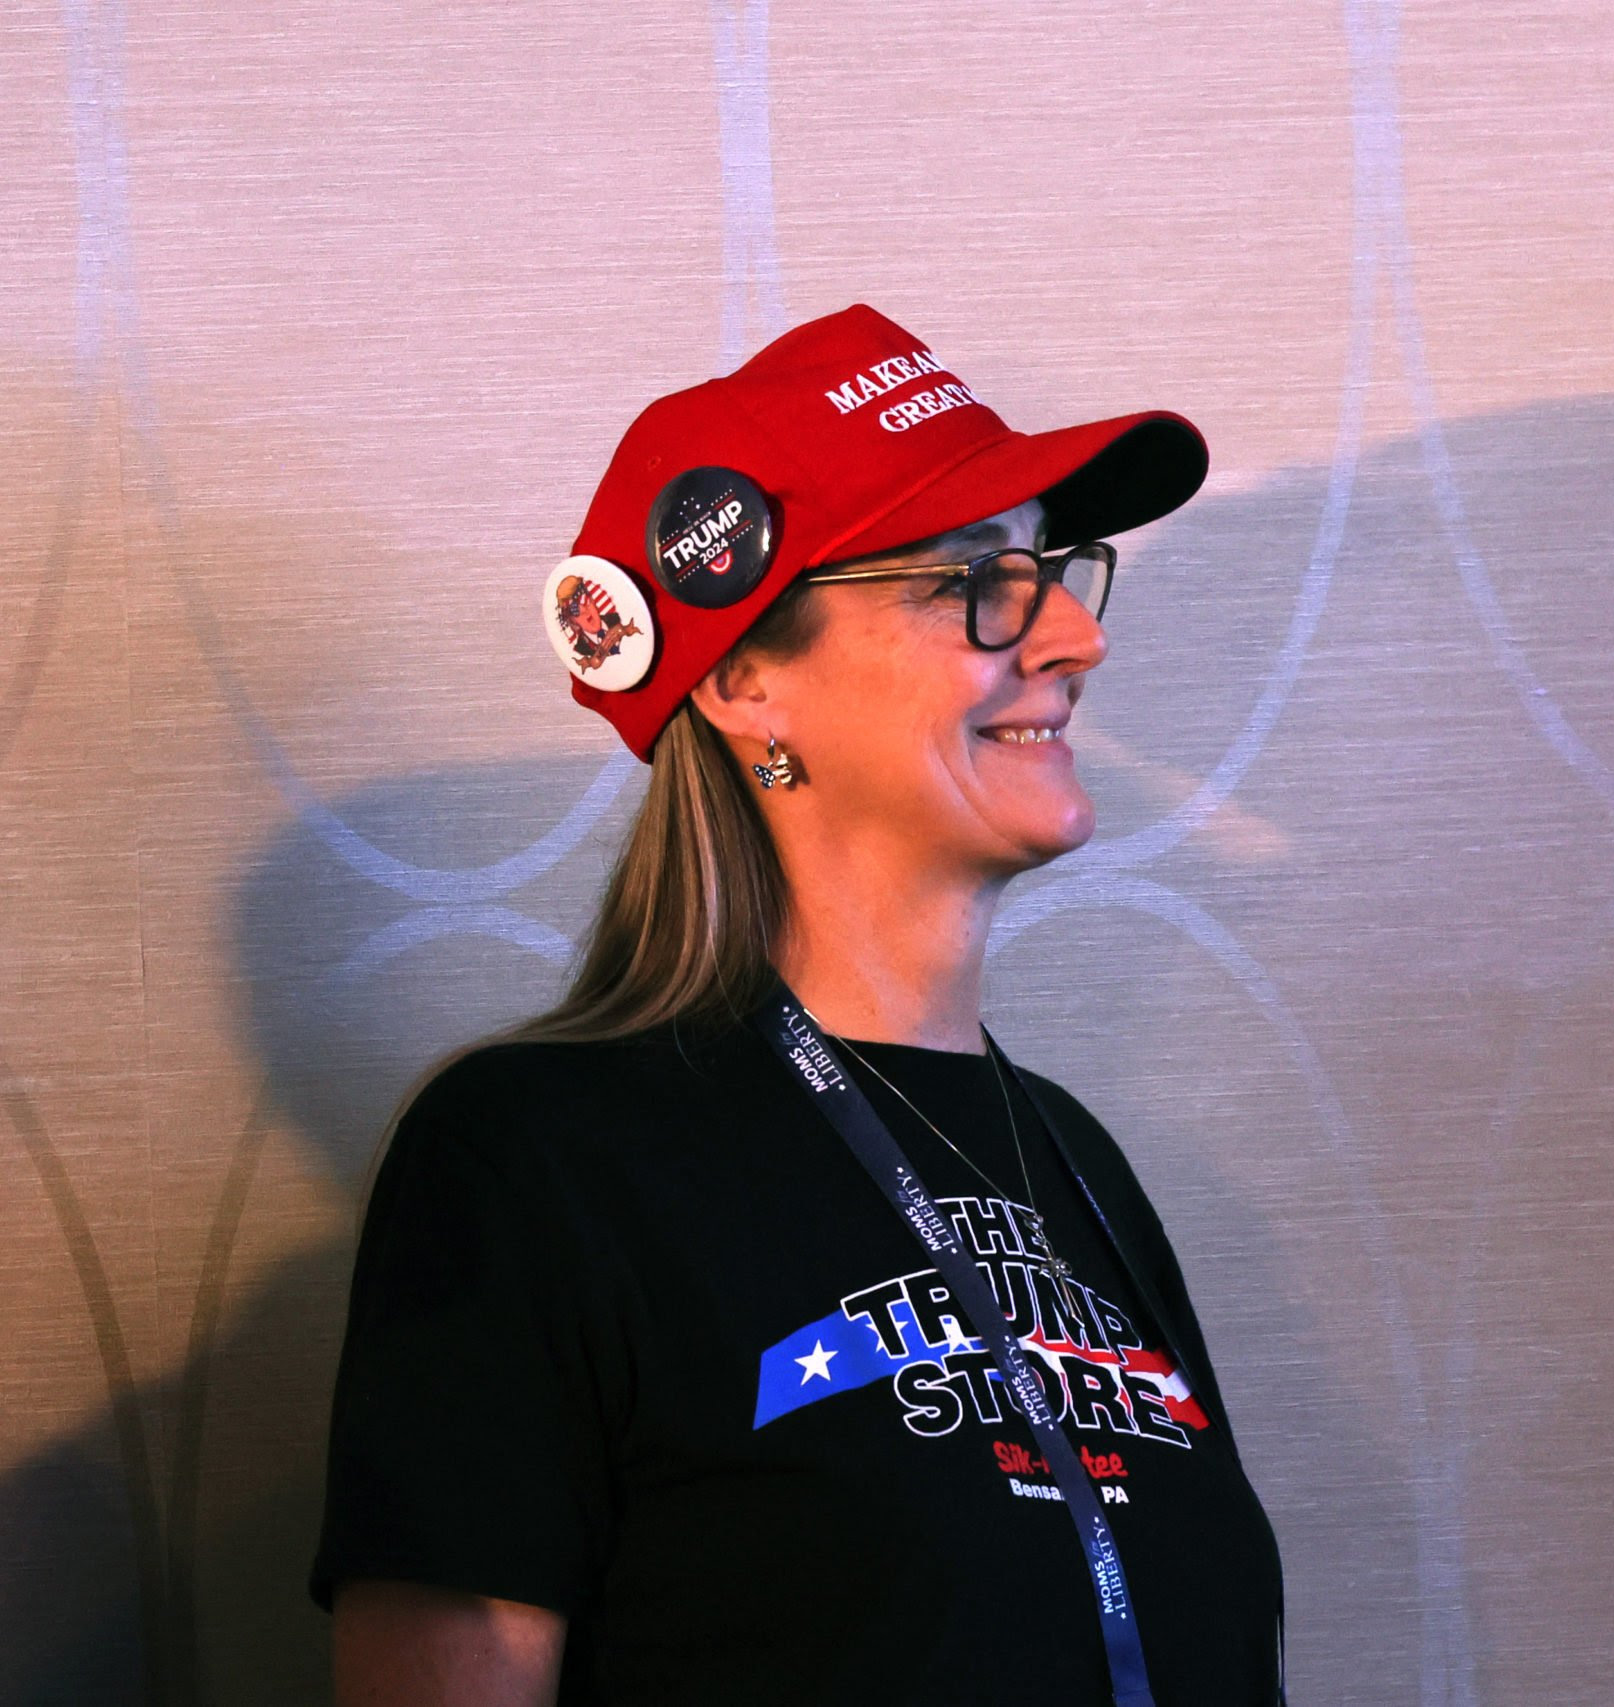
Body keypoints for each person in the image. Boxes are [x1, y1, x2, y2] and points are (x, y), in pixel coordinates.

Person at [310, 304, 1285, 1705]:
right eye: (976, 577)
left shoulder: (1078, 1163)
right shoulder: (532, 1160)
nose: (1074, 634)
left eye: (1058, 569)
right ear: (747, 678)